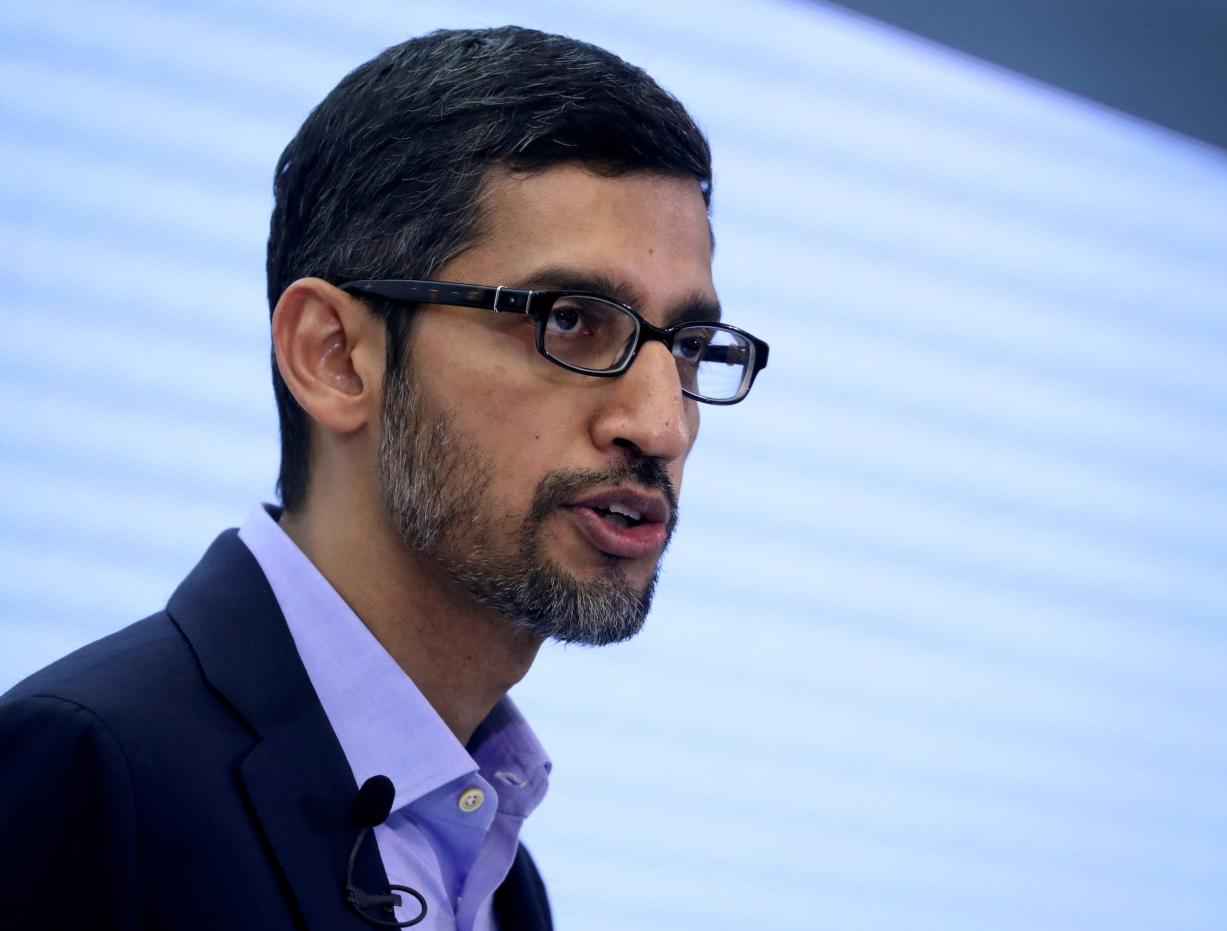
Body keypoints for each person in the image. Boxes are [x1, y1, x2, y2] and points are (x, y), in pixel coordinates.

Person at [0, 25, 768, 931]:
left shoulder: (503, 885)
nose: (662, 423)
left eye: (683, 346)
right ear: (333, 357)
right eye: (569, 322)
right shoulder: (89, 773)